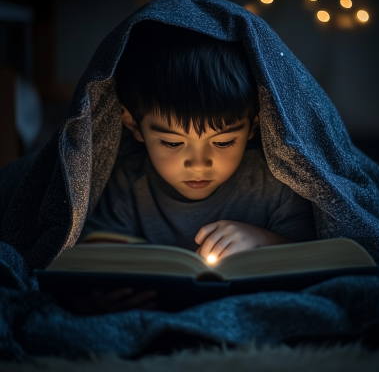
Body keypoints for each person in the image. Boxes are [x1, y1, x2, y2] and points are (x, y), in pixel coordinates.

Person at [75, 21, 316, 314]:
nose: (199, 164)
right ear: (134, 127)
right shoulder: (126, 183)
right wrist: (96, 297)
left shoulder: (277, 181)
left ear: (252, 128)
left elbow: (314, 260)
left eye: (224, 141)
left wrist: (262, 240)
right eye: (173, 143)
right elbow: (89, 260)